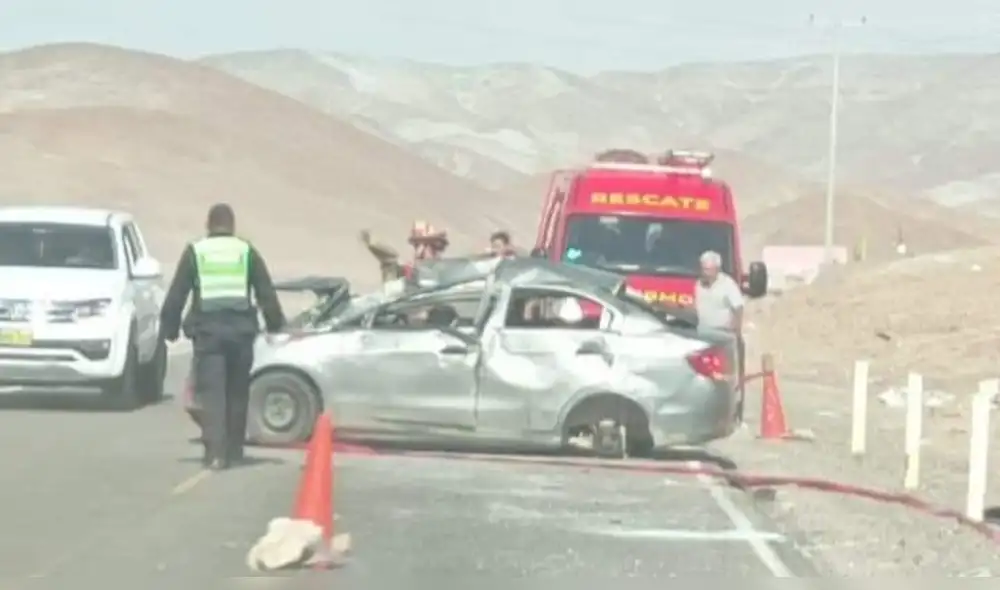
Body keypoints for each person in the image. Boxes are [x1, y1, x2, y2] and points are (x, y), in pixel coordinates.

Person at [160, 203, 286, 470]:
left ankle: (216, 453)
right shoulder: (246, 251)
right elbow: (265, 291)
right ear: (232, 226)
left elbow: (177, 292)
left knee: (212, 392)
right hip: (241, 333)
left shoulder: (196, 251)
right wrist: (276, 325)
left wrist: (168, 328)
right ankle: (234, 449)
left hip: (208, 333)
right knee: (237, 391)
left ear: (209, 225)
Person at [693, 250, 746, 420]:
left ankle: (732, 411)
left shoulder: (727, 285)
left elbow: (738, 307)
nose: (704, 273)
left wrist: (736, 330)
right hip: (703, 336)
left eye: (708, 270)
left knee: (726, 377)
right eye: (702, 269)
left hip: (723, 337)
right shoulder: (698, 285)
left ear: (717, 269)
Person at [360, 221, 449, 284]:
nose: (420, 251)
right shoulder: (406, 271)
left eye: (431, 247)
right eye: (417, 246)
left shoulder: (446, 274)